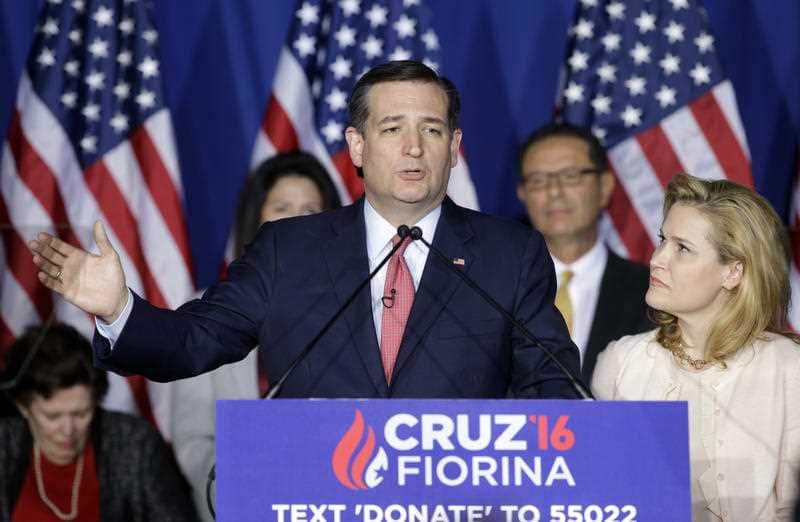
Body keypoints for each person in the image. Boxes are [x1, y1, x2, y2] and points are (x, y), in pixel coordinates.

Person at [29, 60, 580, 399]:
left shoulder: (511, 254)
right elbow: (191, 345)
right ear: (358, 147)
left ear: (454, 148)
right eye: (393, 129)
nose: (413, 147)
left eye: (431, 130)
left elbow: (553, 385)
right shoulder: (288, 250)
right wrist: (117, 309)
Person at [592, 174, 800, 521]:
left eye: (682, 248)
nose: (657, 258)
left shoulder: (789, 368)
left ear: (733, 273)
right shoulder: (622, 360)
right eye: (662, 240)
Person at [171, 150, 341, 520]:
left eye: (311, 210)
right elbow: (192, 437)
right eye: (281, 207)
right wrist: (233, 487)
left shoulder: (365, 308)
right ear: (257, 219)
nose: (296, 220)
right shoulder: (207, 312)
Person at [0, 323, 196, 521]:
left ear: (96, 401)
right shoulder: (4, 446)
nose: (68, 430)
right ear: (23, 407)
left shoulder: (134, 444)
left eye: (81, 413)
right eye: (53, 416)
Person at [517, 122, 651, 384]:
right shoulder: (492, 289)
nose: (554, 192)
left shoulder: (653, 293)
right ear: (522, 194)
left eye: (570, 176)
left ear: (605, 186)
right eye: (538, 180)